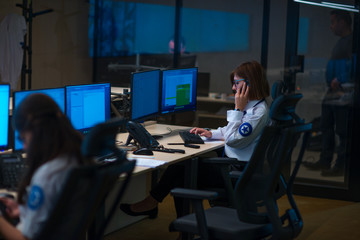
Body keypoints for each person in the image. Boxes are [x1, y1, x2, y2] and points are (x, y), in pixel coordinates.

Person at [120, 60, 270, 219]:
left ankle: (159, 210)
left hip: (237, 173)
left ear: (249, 84)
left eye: (236, 83)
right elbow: (231, 131)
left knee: (182, 171)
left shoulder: (257, 114)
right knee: (182, 166)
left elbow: (233, 139)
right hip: (237, 166)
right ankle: (159, 209)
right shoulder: (254, 107)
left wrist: (238, 109)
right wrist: (211, 133)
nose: (233, 88)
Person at [0, 93, 93, 240]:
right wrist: (24, 210)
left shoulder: (47, 174)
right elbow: (54, 210)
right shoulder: (76, 158)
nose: (24, 146)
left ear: (36, 131)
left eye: (24, 138)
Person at [304, 10, 353, 176]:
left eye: (333, 22)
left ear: (342, 22)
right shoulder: (341, 42)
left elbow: (354, 67)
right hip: (331, 93)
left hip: (343, 93)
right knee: (325, 126)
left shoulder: (353, 42)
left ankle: (340, 166)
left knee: (342, 131)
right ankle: (325, 161)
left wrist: (341, 79)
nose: (330, 27)